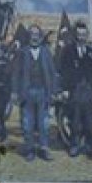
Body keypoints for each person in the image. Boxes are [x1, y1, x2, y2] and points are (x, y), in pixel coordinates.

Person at [11, 24, 58, 162]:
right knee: (27, 123)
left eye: (37, 34)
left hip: (43, 92)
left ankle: (44, 149)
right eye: (32, 34)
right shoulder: (22, 52)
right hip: (27, 92)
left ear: (40, 36)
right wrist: (14, 91)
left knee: (44, 123)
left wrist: (54, 91)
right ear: (28, 36)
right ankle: (30, 149)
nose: (34, 37)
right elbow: (15, 73)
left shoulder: (46, 52)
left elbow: (52, 72)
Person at [59, 22, 92, 158]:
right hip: (74, 89)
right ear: (75, 35)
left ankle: (90, 146)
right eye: (79, 35)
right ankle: (74, 145)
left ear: (87, 35)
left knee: (89, 120)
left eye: (84, 35)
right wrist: (65, 88)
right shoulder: (67, 51)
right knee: (75, 119)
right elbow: (63, 71)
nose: (81, 37)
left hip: (88, 89)